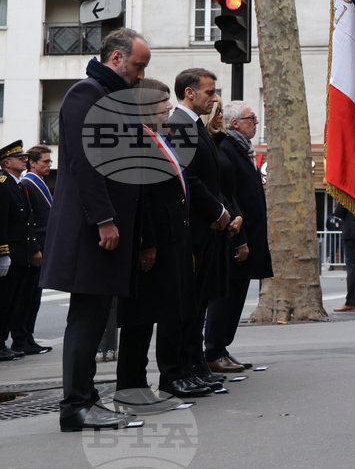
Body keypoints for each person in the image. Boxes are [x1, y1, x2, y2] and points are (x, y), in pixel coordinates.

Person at [39, 28, 149, 432]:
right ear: (117, 59)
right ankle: (75, 407)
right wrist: (104, 219)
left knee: (95, 314)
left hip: (105, 229)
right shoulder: (86, 94)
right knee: (87, 319)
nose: (141, 75)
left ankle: (87, 398)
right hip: (94, 230)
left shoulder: (111, 98)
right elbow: (89, 164)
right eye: (138, 66)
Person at [115, 79, 210, 402]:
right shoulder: (138, 140)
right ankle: (135, 385)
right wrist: (147, 242)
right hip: (156, 240)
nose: (168, 108)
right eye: (161, 103)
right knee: (144, 317)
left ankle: (174, 376)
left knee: (174, 308)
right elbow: (142, 197)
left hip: (174, 235)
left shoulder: (160, 137)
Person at [167, 69, 241, 396]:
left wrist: (224, 213)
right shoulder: (180, 125)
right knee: (186, 307)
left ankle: (194, 366)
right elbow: (188, 178)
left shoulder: (196, 126)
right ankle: (179, 371)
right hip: (195, 229)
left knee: (198, 306)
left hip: (207, 228)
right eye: (210, 92)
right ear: (189, 93)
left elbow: (210, 179)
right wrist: (219, 212)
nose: (214, 99)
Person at [205, 101, 273, 373]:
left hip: (249, 236)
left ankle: (221, 348)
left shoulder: (241, 149)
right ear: (235, 123)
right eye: (251, 118)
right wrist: (240, 239)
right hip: (236, 238)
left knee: (236, 298)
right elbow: (230, 197)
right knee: (226, 298)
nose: (256, 122)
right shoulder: (227, 149)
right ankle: (213, 350)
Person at [11, 145, 53, 355]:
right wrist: (36, 247)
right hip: (35, 246)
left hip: (43, 244)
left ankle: (28, 336)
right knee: (26, 295)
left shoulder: (39, 183)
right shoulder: (28, 183)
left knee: (34, 295)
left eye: (50, 161)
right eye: (45, 161)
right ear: (33, 163)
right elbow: (29, 221)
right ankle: (21, 338)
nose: (49, 165)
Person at [0, 141, 36, 361]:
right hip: (10, 253)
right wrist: (3, 253)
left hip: (20, 254)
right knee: (4, 301)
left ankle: (2, 343)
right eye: (19, 157)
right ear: (6, 162)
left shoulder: (18, 184)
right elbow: (1, 222)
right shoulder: (3, 184)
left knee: (12, 302)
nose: (24, 159)